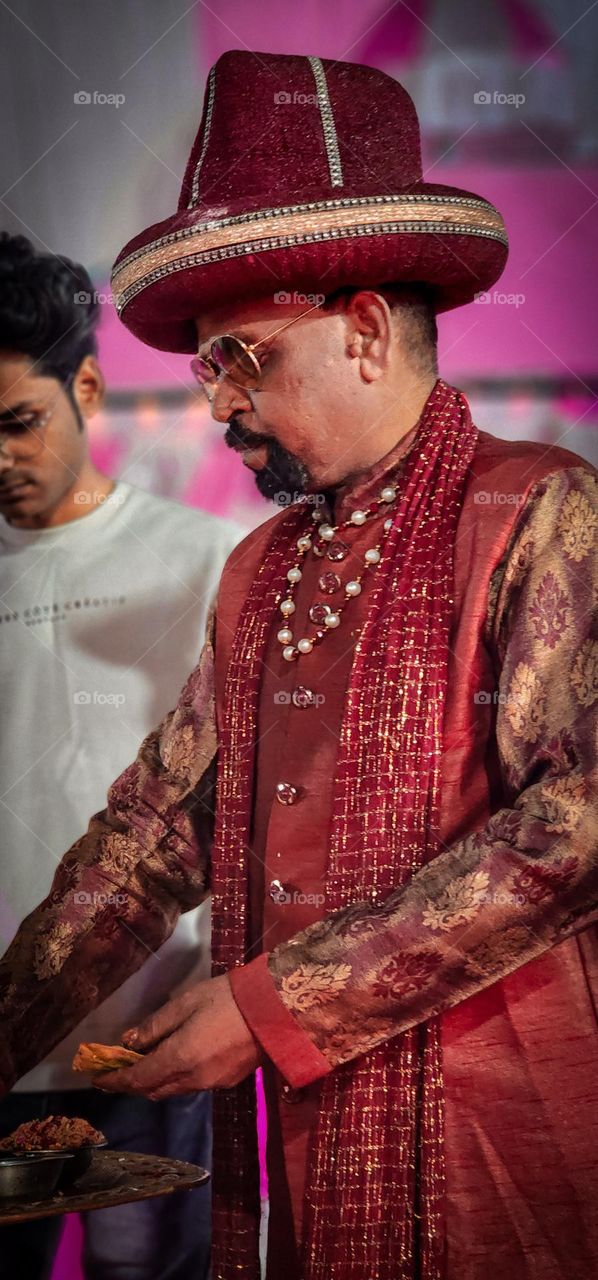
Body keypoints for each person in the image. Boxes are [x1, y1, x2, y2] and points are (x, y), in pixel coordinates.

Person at [1, 50, 597, 1280]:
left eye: (240, 358)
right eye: (201, 365)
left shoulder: (538, 509)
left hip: (499, 1131)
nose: (214, 400)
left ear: (366, 329)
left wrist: (272, 1005)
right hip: (303, 1145)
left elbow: (575, 826)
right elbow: (156, 831)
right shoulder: (260, 564)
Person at [0, 233, 243, 1280]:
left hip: (143, 1039)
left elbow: (238, 800)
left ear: (86, 386)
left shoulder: (201, 559)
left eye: (18, 421)